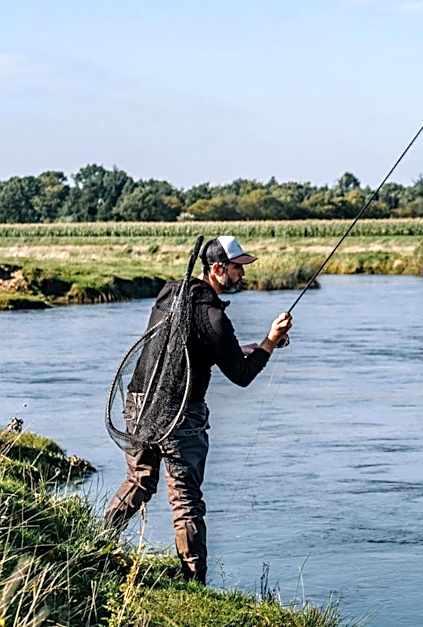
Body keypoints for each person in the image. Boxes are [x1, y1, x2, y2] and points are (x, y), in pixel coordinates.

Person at [104, 235, 292, 584]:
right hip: (180, 415)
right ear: (218, 269)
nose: (243, 275)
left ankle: (98, 538)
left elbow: (190, 341)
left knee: (139, 480)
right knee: (186, 502)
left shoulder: (170, 293)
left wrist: (242, 347)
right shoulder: (215, 318)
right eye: (238, 268)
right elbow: (242, 376)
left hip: (139, 402)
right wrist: (269, 341)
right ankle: (194, 582)